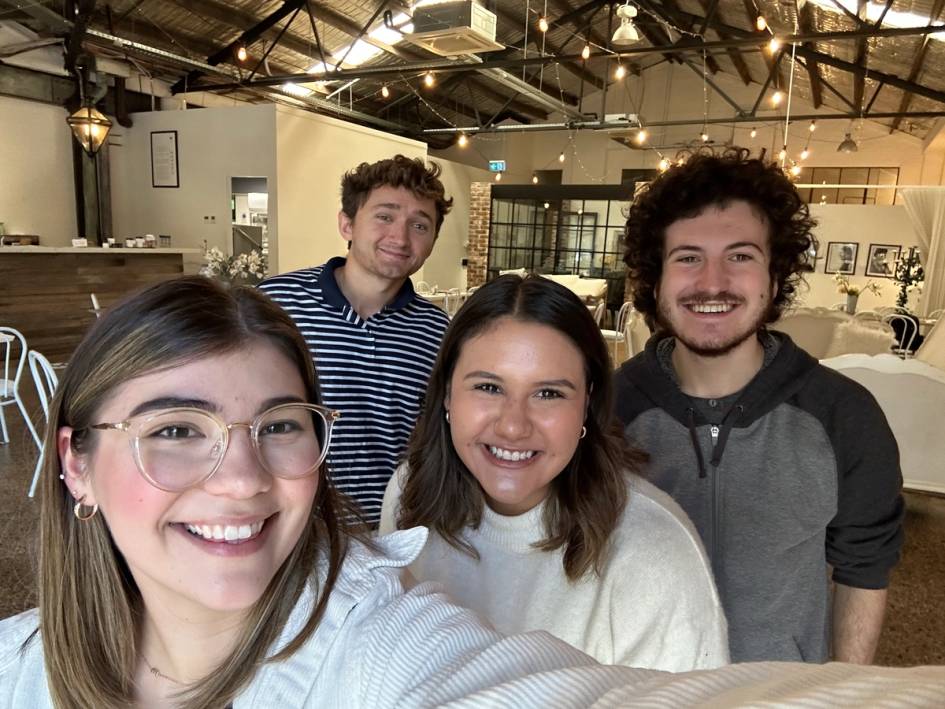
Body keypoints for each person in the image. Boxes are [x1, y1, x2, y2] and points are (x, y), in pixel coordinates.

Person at [1, 278, 942, 707]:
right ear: (74, 461)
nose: (241, 477)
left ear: (588, 415)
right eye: (175, 431)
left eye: (278, 424)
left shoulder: (371, 642)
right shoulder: (415, 496)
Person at [615, 148, 904, 664]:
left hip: (782, 692)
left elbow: (864, 567)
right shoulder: (609, 410)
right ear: (654, 280)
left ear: (774, 280)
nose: (712, 281)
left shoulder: (843, 415)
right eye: (687, 257)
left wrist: (839, 692)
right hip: (646, 691)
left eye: (741, 256)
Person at [380, 275, 729, 671]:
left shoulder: (653, 552)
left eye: (549, 393)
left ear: (587, 405)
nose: (513, 426)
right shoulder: (409, 494)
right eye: (489, 388)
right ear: (446, 395)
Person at [259, 155, 453, 525]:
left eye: (419, 225)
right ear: (347, 224)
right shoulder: (276, 304)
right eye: (385, 216)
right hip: (289, 530)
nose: (400, 236)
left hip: (390, 536)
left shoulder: (437, 332)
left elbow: (434, 442)